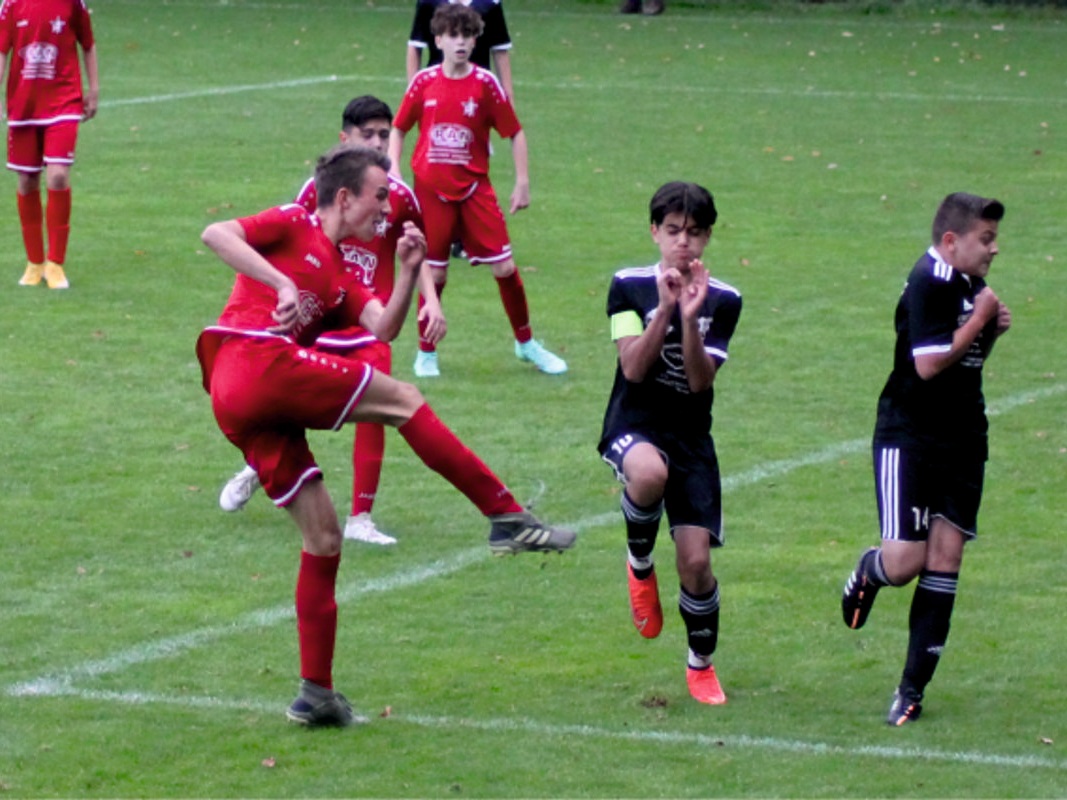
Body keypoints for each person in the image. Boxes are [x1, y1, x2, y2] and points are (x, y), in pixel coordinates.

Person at [197, 144, 576, 727]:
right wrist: (281, 284)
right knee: (404, 401)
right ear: (344, 196)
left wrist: (406, 273)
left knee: (324, 537)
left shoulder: (341, 272)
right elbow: (215, 233)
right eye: (379, 195)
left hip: (239, 399)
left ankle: (315, 693)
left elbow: (383, 325)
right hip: (252, 360)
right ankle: (506, 516)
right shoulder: (294, 221)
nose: (387, 206)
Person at [218, 95, 446, 547]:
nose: (380, 142)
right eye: (369, 135)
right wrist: (281, 290)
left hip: (366, 311)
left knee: (381, 398)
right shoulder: (315, 193)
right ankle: (257, 465)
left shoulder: (398, 197)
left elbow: (415, 250)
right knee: (284, 397)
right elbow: (292, 243)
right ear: (346, 141)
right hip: (318, 315)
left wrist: (431, 300)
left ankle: (361, 516)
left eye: (386, 134)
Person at [841, 192, 1011, 726]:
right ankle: (871, 570)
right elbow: (931, 364)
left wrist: (990, 332)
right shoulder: (928, 280)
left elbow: (967, 365)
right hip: (908, 437)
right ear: (950, 241)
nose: (994, 250)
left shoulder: (967, 283)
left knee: (946, 559)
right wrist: (980, 316)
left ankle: (911, 690)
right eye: (986, 240)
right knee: (906, 562)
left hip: (963, 439)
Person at [597, 182, 742, 706]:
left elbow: (702, 382)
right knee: (648, 473)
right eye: (674, 231)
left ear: (707, 238)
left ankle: (700, 665)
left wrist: (689, 318)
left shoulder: (724, 300)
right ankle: (639, 563)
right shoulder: (627, 286)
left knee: (697, 565)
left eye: (695, 233)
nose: (684, 243)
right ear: (655, 232)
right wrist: (662, 310)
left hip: (691, 438)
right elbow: (632, 368)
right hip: (633, 423)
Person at [389, 3, 566, 379]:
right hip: (431, 192)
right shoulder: (423, 82)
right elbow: (399, 127)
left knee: (504, 266)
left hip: (474, 190)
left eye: (468, 36)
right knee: (434, 276)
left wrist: (522, 181)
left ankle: (526, 343)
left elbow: (514, 131)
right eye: (453, 36)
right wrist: (393, 169)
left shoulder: (485, 83)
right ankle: (426, 353)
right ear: (438, 39)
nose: (461, 43)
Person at [0, 0, 99, 290]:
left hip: (63, 101)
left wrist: (94, 90)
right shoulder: (10, 4)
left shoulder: (72, 2)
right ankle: (34, 263)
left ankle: (55, 263)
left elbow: (88, 44)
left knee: (57, 175)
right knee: (27, 179)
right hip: (24, 104)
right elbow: (2, 50)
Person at [406, 0, 515, 105]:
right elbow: (415, 45)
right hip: (437, 87)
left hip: (479, 89)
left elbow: (500, 49)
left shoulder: (491, 3)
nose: (460, 41)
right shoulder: (428, 2)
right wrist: (413, 94)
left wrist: (509, 97)